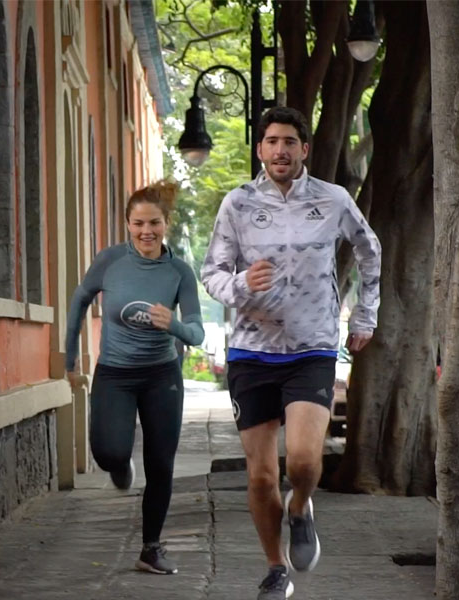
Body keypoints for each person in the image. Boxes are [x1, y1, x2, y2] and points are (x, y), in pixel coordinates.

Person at [201, 107, 381, 600]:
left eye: (289, 142)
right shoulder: (237, 204)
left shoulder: (333, 198)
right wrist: (240, 283)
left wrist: (365, 315)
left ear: (305, 149)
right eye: (271, 141)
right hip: (251, 353)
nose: (280, 150)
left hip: (311, 347)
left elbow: (369, 250)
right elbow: (212, 273)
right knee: (260, 477)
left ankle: (301, 505)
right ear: (260, 149)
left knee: (301, 462)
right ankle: (275, 568)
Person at [65, 181, 205, 576]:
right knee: (109, 452)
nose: (147, 231)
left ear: (167, 224)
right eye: (139, 223)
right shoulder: (110, 261)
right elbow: (80, 299)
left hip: (163, 377)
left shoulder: (179, 272)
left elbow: (197, 331)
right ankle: (119, 463)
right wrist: (69, 357)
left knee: (161, 464)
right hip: (115, 373)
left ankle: (151, 547)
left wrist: (173, 325)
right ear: (127, 224)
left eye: (155, 223)